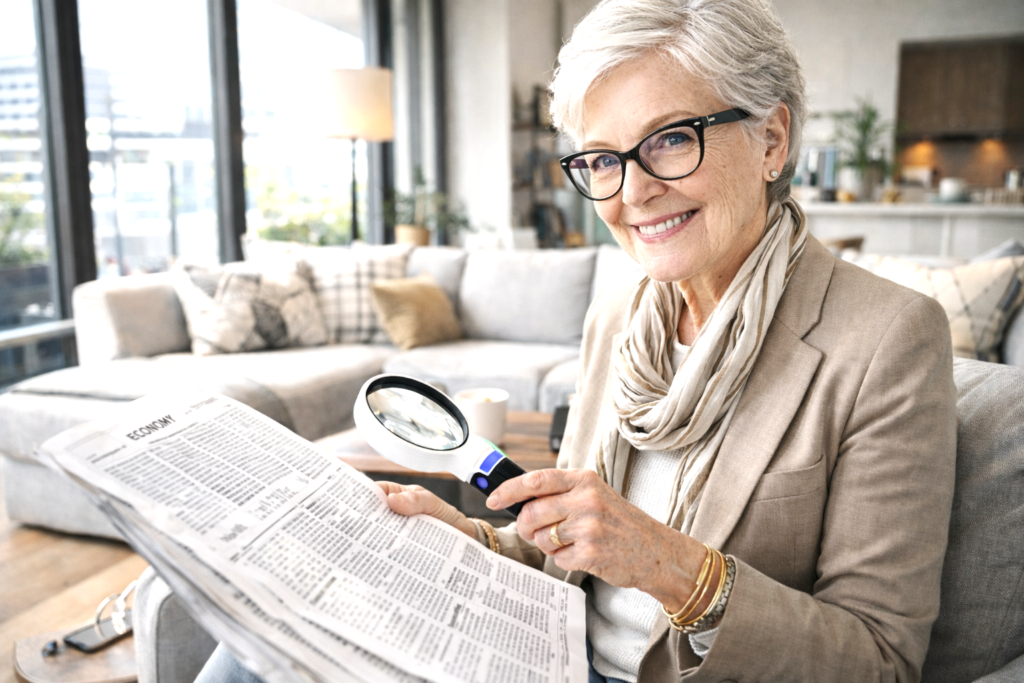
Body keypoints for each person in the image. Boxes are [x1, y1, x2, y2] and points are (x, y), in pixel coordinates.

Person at [197, 0, 956, 681]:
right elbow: (573, 552)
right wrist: (470, 537)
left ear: (772, 140)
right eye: (601, 160)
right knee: (265, 632)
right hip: (548, 655)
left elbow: (880, 661)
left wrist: (674, 569)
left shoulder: (887, 340)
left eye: (671, 139)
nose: (632, 192)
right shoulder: (618, 318)